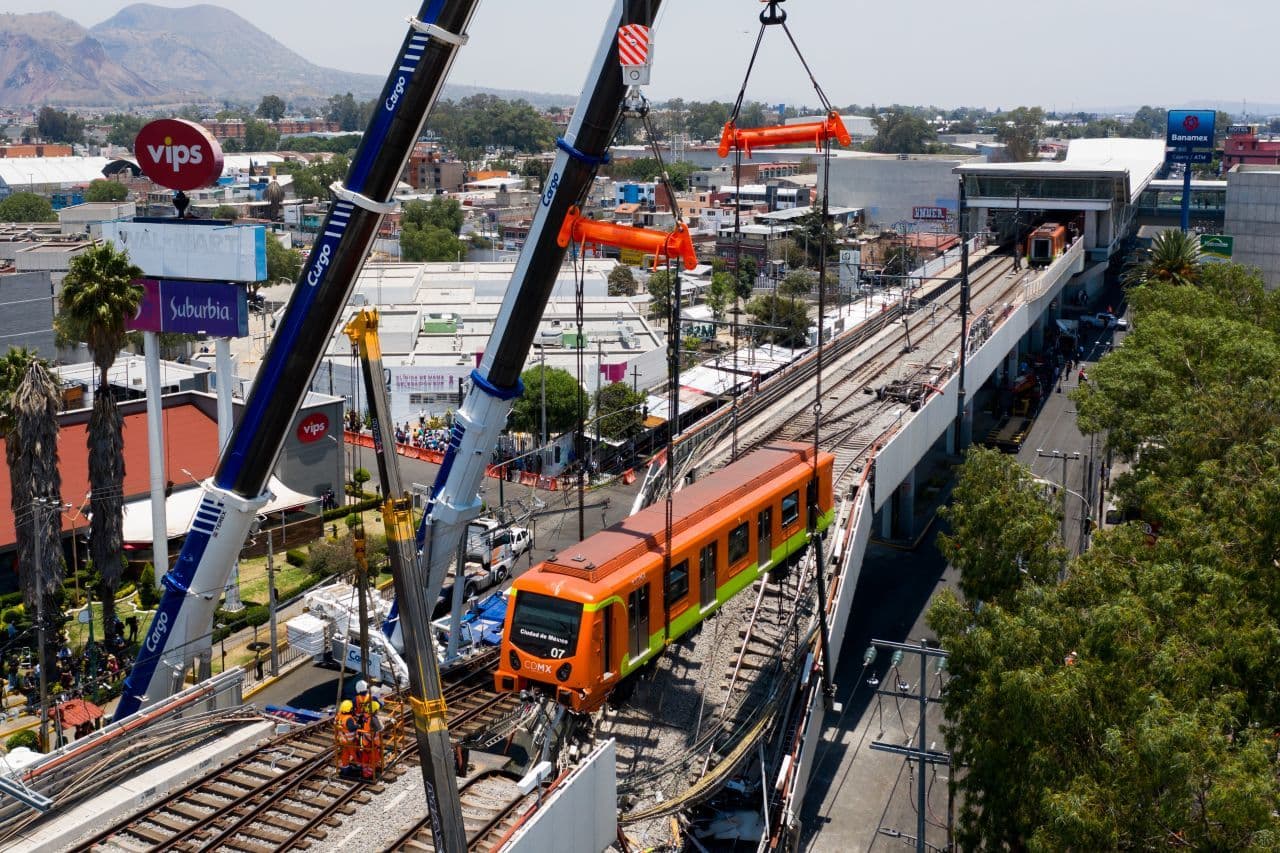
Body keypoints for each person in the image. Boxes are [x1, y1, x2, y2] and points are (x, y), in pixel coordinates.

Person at [335, 699, 359, 776]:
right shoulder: (348, 719)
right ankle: (359, 766)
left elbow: (335, 723)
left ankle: (345, 768)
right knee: (355, 753)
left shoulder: (339, 715)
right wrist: (358, 726)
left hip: (342, 739)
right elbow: (351, 728)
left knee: (345, 754)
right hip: (350, 741)